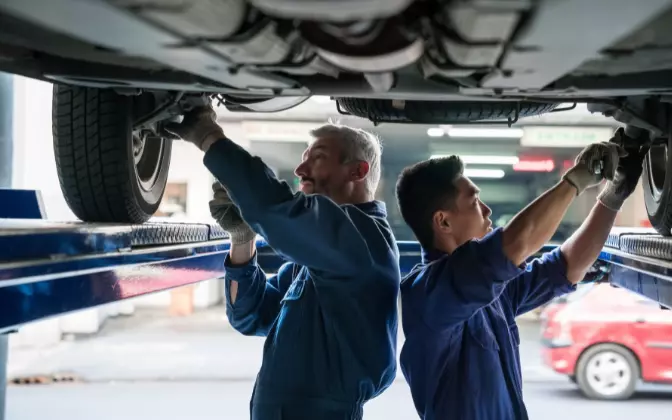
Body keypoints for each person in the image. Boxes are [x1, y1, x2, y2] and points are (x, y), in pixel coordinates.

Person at [166, 107, 401, 420]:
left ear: (357, 171)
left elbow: (273, 208)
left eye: (317, 158)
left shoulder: (363, 241)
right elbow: (251, 316)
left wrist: (211, 138)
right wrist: (242, 239)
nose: (301, 169)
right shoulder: (317, 258)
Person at [394, 129, 647, 419]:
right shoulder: (431, 292)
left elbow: (567, 266)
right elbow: (517, 242)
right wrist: (576, 180)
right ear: (443, 221)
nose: (487, 210)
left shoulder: (491, 290)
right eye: (475, 202)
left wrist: (613, 196)